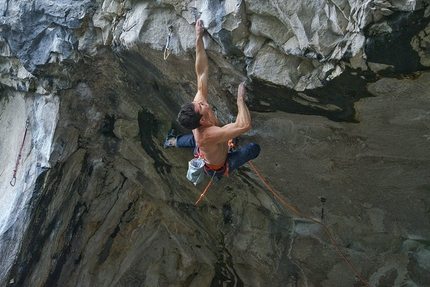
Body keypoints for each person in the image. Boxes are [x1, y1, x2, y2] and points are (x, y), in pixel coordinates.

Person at [165, 19, 260, 179]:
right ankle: (215, 173)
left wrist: (198, 37)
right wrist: (240, 100)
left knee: (197, 141)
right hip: (219, 164)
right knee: (253, 148)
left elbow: (201, 72)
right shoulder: (207, 135)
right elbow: (245, 125)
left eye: (197, 102)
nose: (201, 101)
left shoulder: (197, 113)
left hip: (203, 146)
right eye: (200, 106)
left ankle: (171, 142)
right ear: (202, 120)